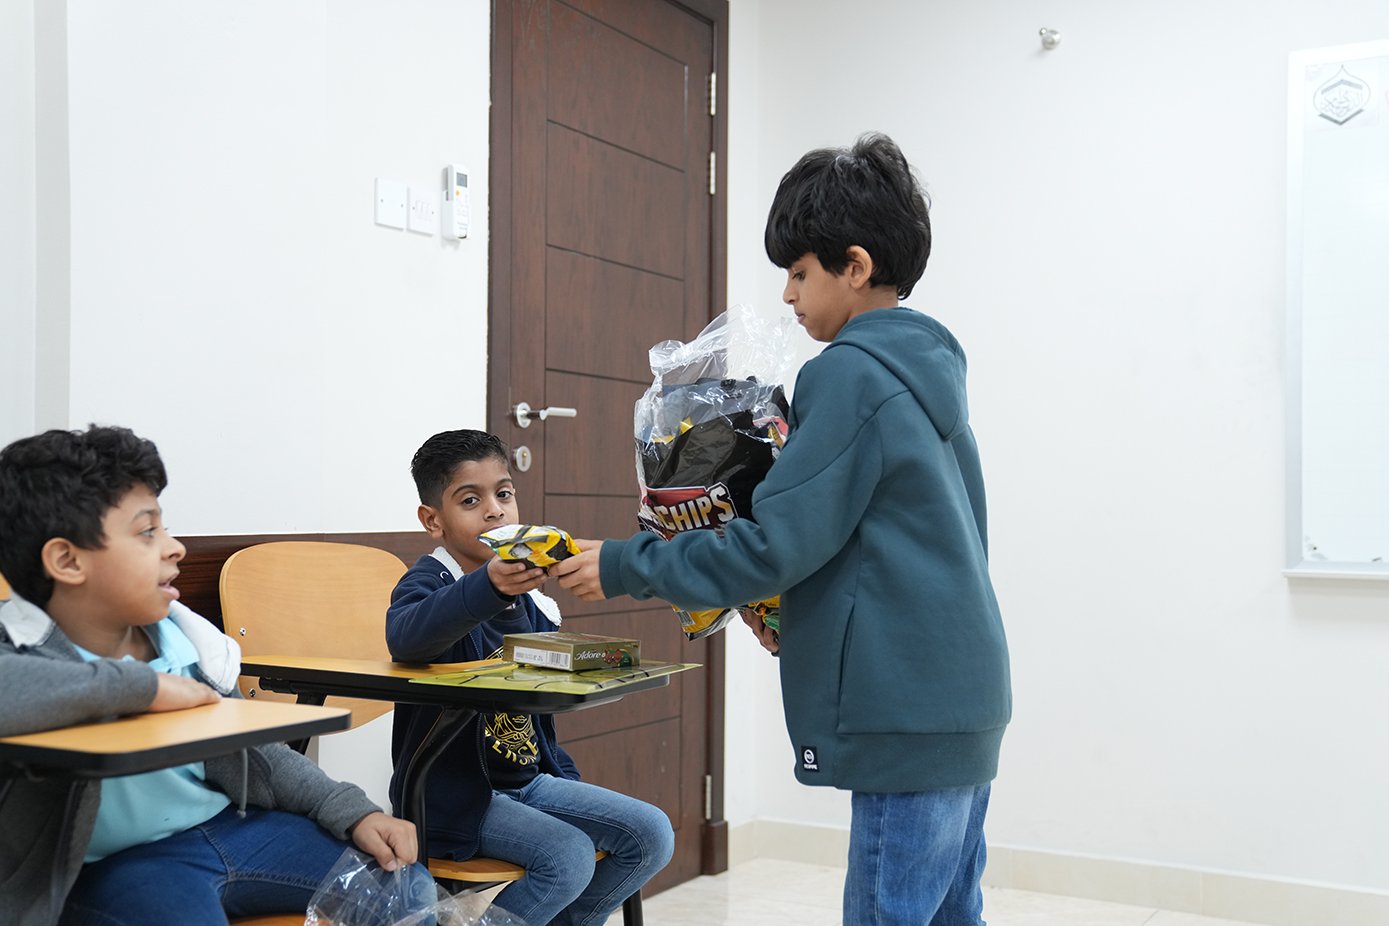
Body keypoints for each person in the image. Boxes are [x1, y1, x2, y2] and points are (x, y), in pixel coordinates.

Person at [553, 133, 1011, 926]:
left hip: (903, 706)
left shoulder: (848, 373)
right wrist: (805, 618)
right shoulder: (926, 374)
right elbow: (892, 548)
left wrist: (627, 564)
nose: (789, 296)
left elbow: (775, 546)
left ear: (854, 266)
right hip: (958, 697)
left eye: (799, 273)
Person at [0, 425, 433, 926]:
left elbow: (259, 753)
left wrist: (354, 811)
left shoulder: (185, 641)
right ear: (67, 560)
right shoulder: (20, 646)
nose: (175, 547)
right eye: (147, 532)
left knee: (404, 886)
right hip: (120, 864)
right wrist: (145, 688)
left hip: (229, 827)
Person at [385, 428, 674, 926]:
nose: (494, 511)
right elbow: (406, 638)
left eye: (504, 494)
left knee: (651, 834)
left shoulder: (530, 598)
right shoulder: (430, 581)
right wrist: (489, 587)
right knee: (567, 858)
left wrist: (564, 775)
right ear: (433, 520)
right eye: (470, 500)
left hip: (530, 781)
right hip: (454, 797)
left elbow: (539, 696)